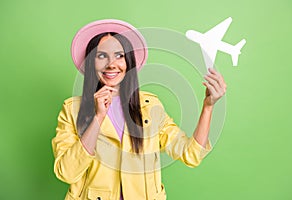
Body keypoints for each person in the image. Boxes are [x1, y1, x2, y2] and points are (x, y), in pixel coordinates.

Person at [52, 19, 226, 200]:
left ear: (128, 62)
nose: (111, 64)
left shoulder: (150, 106)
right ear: (91, 62)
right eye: (102, 56)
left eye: (119, 55)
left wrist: (208, 106)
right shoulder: (72, 110)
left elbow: (191, 154)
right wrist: (98, 117)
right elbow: (67, 173)